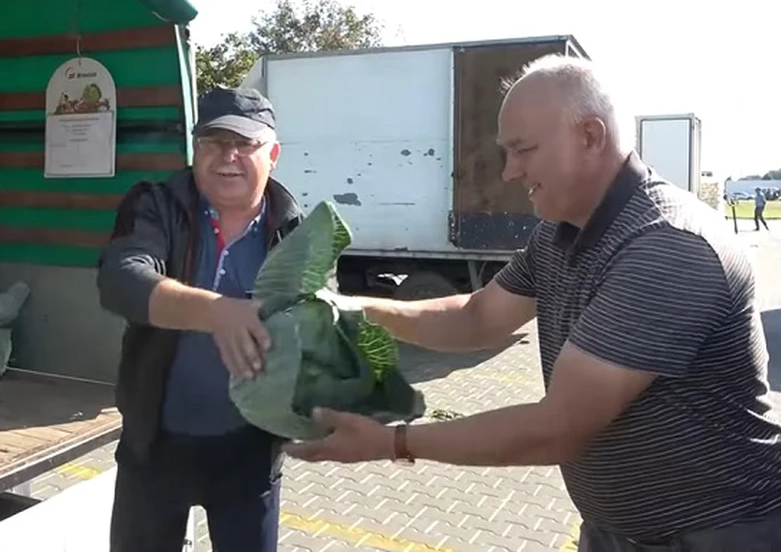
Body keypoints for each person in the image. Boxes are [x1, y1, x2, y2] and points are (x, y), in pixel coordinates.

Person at [285, 55, 781, 550]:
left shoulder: (666, 245)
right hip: (619, 531)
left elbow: (557, 427)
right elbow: (477, 317)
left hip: (718, 531)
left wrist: (391, 442)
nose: (509, 172)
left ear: (590, 136)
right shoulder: (560, 232)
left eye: (522, 150)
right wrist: (348, 311)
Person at [97, 86, 302, 552]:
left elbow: (318, 331)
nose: (228, 156)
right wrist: (216, 312)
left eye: (244, 144)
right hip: (155, 444)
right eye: (213, 142)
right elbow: (121, 278)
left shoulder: (297, 234)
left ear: (272, 154)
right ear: (195, 150)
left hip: (249, 452)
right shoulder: (156, 205)